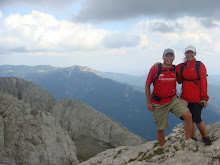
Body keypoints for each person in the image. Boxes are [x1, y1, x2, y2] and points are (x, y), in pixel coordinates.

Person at [145, 48, 192, 146]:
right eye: (167, 55)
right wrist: (149, 102)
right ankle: (162, 148)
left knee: (188, 116)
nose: (169, 58)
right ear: (163, 57)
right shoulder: (155, 69)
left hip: (172, 99)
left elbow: (187, 66)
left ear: (174, 58)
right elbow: (147, 85)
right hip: (159, 102)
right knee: (160, 128)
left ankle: (188, 142)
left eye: (171, 56)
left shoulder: (175, 69)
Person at [176, 45, 211, 145]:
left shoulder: (200, 65)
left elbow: (204, 82)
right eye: (187, 53)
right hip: (185, 97)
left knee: (197, 119)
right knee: (189, 119)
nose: (189, 54)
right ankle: (193, 138)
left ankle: (206, 138)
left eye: (191, 52)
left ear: (195, 54)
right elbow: (171, 67)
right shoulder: (182, 66)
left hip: (196, 98)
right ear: (185, 54)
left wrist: (204, 98)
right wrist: (159, 65)